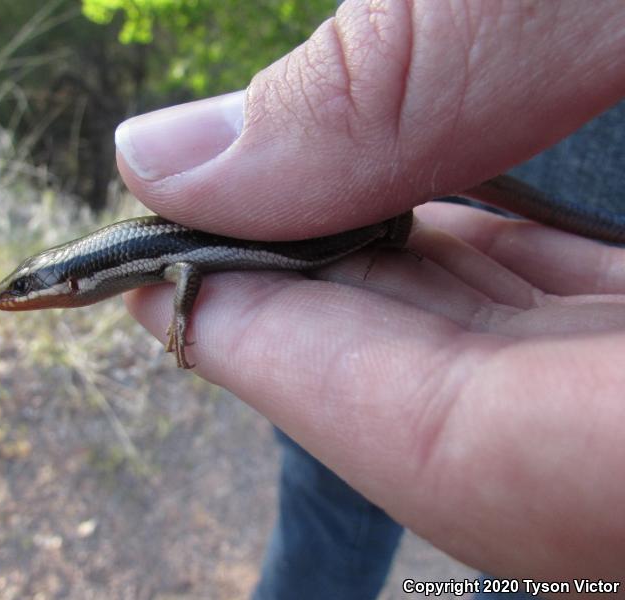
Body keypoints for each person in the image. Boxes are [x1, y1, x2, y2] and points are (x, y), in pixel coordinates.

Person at [113, 0, 625, 594]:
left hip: (567, 133)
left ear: (71, 282)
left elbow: (188, 270)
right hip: (505, 123)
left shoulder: (168, 258)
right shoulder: (162, 255)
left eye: (26, 289)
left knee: (540, 535)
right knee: (328, 462)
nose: (20, 297)